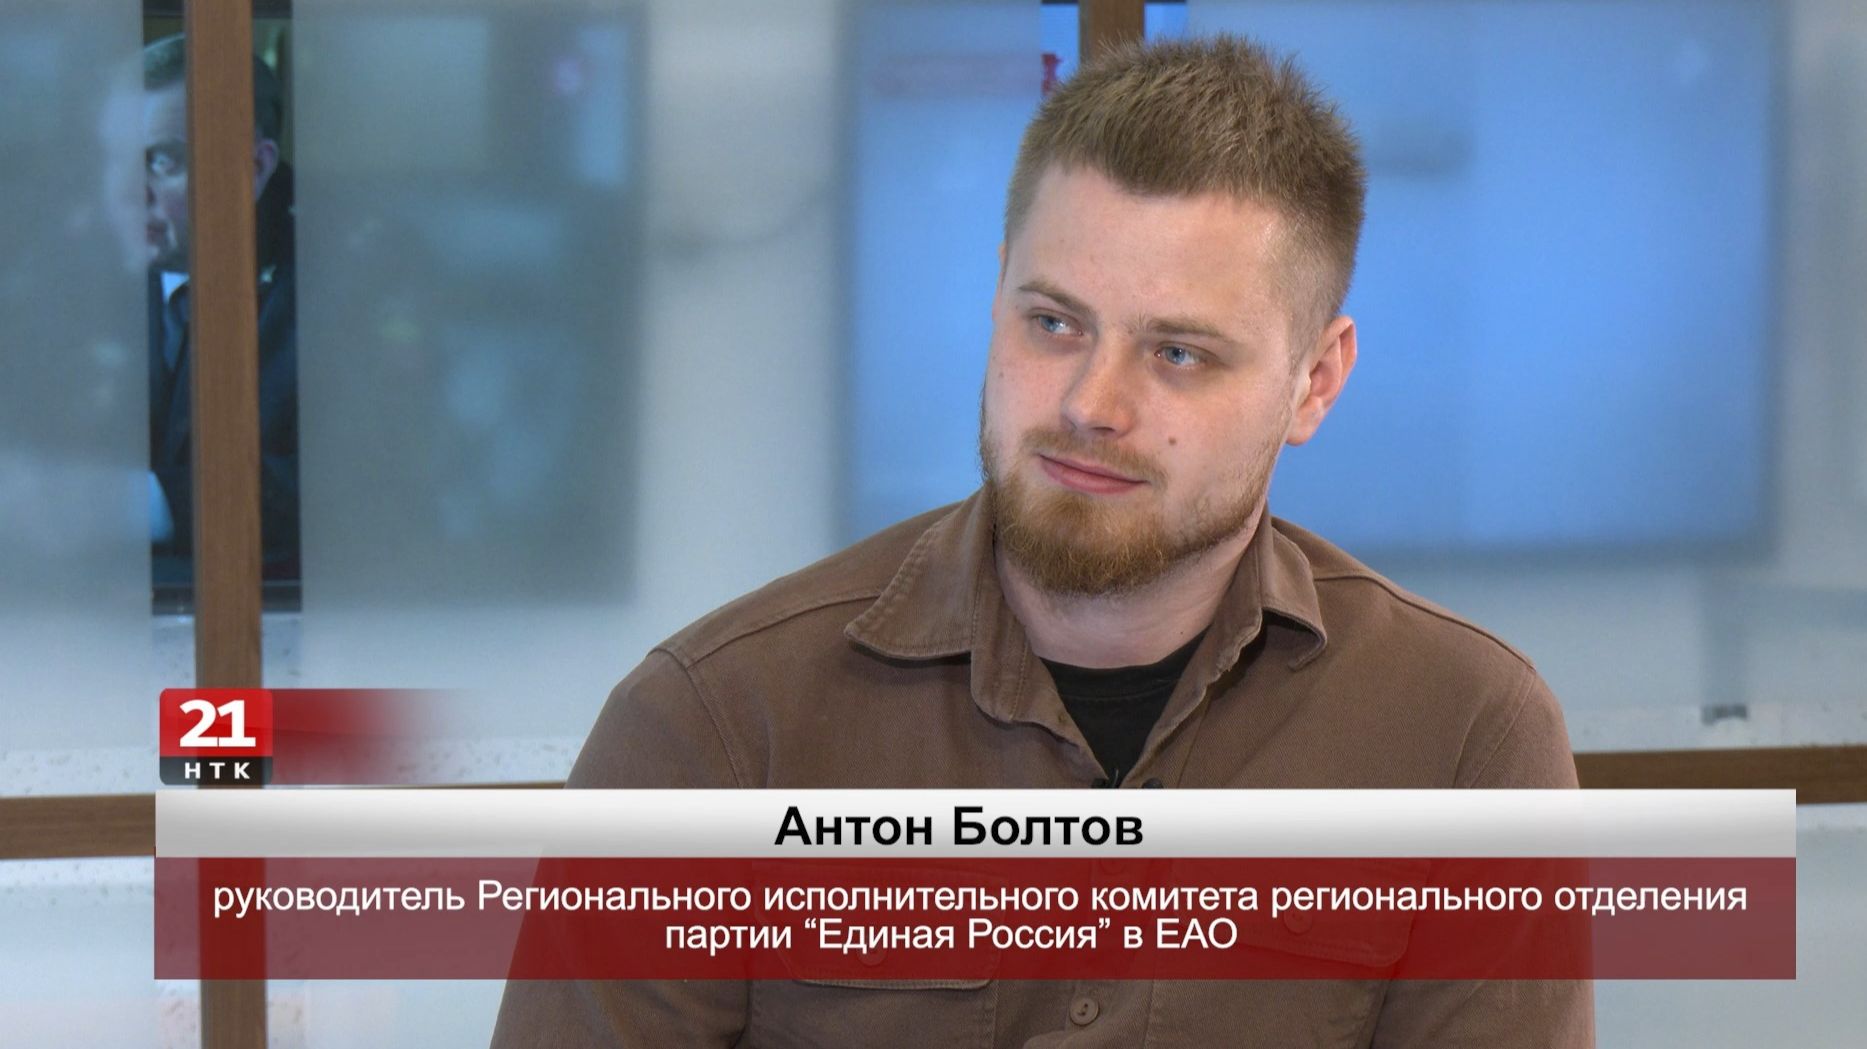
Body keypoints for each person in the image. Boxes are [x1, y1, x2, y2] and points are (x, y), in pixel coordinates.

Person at [492, 35, 1592, 1047]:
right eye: (1053, 323)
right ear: (996, 300)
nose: (1088, 404)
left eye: (1178, 353)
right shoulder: (717, 730)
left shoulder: (1462, 739)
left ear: (1315, 381)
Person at [133, 34, 300, 585]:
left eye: (161, 161)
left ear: (253, 167)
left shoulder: (342, 281)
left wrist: (144, 501)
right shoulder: (66, 265)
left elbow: (373, 484)